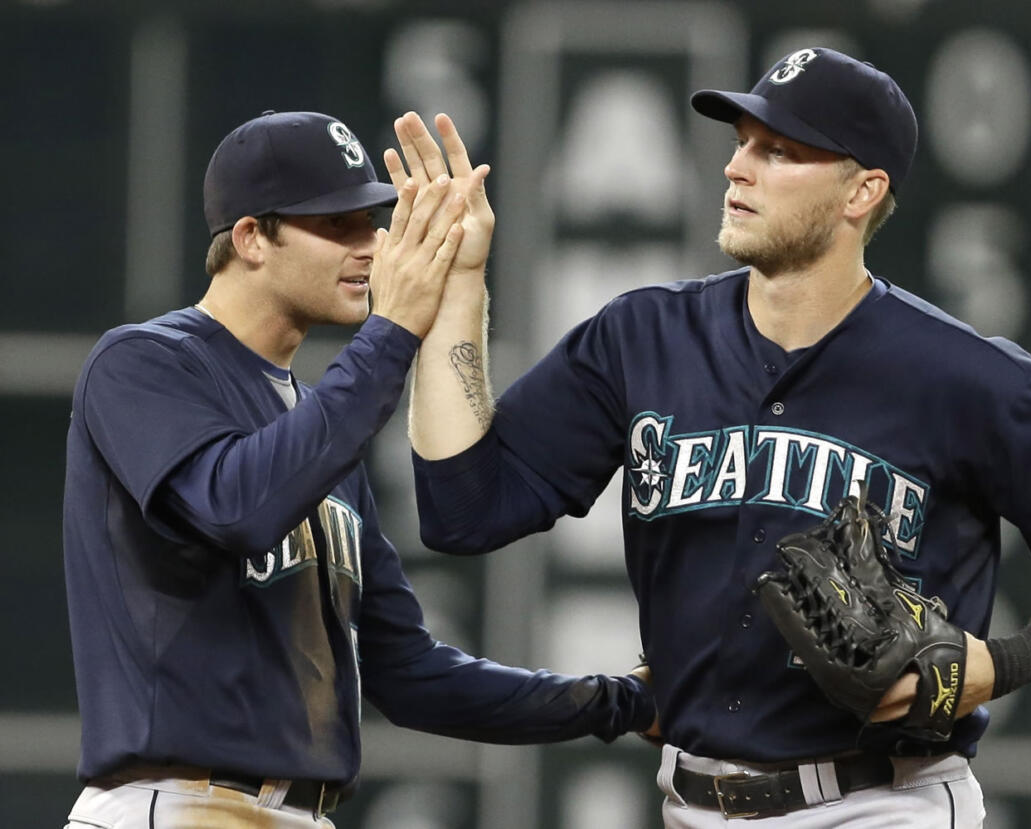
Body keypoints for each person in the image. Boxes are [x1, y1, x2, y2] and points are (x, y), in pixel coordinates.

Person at [401, 46, 1031, 828]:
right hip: (692, 798)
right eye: (742, 142)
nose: (737, 168)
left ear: (863, 190)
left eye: (779, 151)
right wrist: (460, 284)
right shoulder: (641, 338)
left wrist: (1002, 662)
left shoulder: (964, 376)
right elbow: (466, 509)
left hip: (884, 801)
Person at [61, 109, 654, 829]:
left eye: (370, 220)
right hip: (177, 802)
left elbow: (409, 675)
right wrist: (393, 330)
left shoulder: (320, 429)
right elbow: (236, 506)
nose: (371, 245)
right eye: (333, 224)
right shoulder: (145, 362)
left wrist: (624, 700)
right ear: (251, 237)